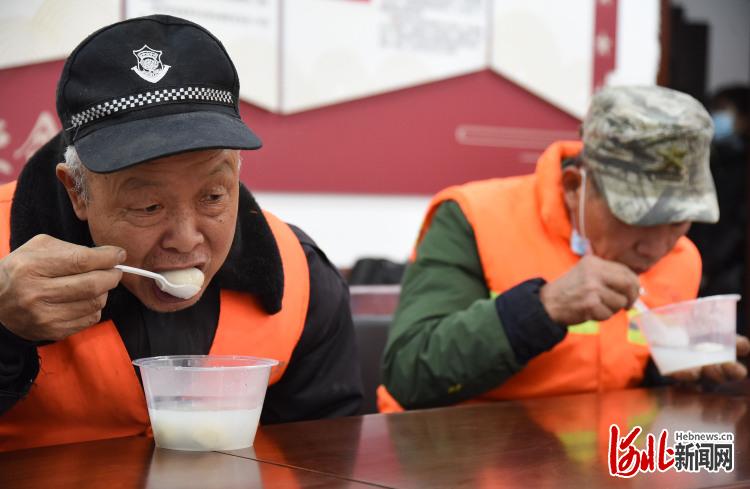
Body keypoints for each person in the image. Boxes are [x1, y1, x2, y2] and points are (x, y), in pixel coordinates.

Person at [0, 15, 362, 451]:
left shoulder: (302, 275)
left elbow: (328, 455)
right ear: (77, 191)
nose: (186, 239)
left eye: (212, 197)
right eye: (148, 206)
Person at [379, 85, 750, 412]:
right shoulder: (476, 219)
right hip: (454, 459)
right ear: (575, 186)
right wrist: (543, 308)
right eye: (636, 218)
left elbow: (629, 385)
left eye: (677, 221)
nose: (656, 247)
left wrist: (676, 372)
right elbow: (408, 375)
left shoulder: (683, 259)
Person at [688, 85, 750, 332]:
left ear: (745, 118)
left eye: (724, 109)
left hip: (728, 272)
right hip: (705, 265)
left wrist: (709, 265)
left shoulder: (741, 165)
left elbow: (735, 225)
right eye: (715, 109)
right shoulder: (713, 157)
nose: (717, 116)